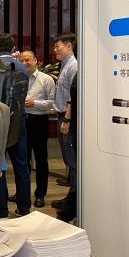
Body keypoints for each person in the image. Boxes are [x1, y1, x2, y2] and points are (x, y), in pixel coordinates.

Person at [0, 33, 31, 217]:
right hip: (18, 119)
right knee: (21, 164)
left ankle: (1, 210)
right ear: (13, 48)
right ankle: (24, 207)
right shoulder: (21, 66)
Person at [19, 50, 56, 208]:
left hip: (39, 120)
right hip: (22, 121)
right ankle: (22, 193)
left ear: (35, 61)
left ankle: (40, 194)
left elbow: (53, 103)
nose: (25, 63)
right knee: (23, 159)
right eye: (22, 60)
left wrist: (35, 103)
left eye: (28, 60)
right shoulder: (17, 78)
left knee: (41, 159)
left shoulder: (46, 79)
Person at [51, 34, 78, 212]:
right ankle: (72, 197)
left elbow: (73, 96)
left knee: (73, 160)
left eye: (57, 46)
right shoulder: (65, 64)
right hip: (63, 115)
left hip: (68, 118)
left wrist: (67, 119)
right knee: (69, 159)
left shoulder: (73, 66)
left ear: (69, 46)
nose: (55, 50)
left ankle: (74, 201)